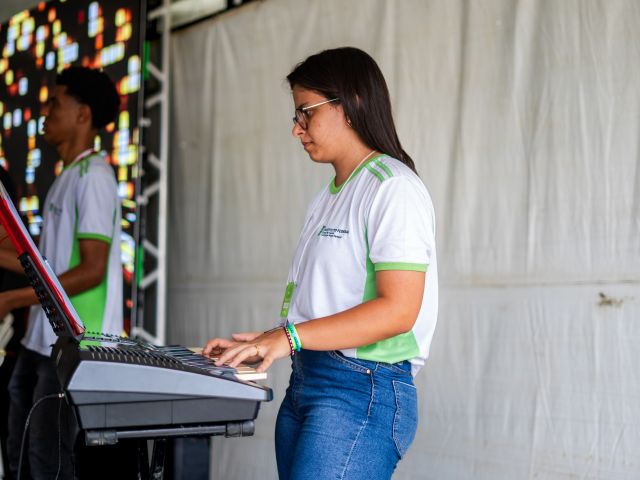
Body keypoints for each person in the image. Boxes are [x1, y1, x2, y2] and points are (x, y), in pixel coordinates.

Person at [203, 47, 439, 479]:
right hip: (308, 380)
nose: (297, 129)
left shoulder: (394, 188)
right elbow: (329, 302)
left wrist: (287, 338)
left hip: (361, 387)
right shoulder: (329, 194)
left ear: (351, 105)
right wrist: (267, 340)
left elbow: (399, 310)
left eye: (305, 113)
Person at [0, 66, 122, 479]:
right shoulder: (66, 177)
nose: (45, 113)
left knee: (47, 459)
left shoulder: (95, 177)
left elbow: (90, 271)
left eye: (55, 103)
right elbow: (43, 267)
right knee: (20, 453)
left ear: (83, 114)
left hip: (73, 345)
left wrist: (10, 299)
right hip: (41, 342)